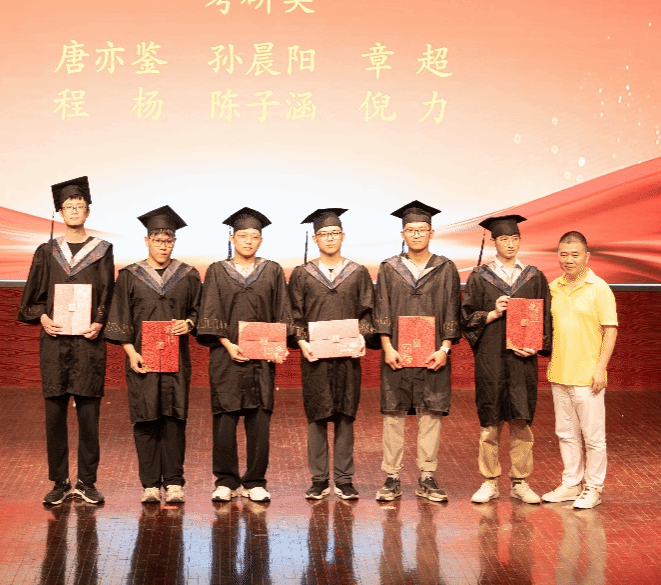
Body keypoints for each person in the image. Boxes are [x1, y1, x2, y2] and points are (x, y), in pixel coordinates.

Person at [17, 175, 112, 506]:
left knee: (89, 418)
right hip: (55, 345)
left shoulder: (102, 251)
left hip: (88, 344)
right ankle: (59, 481)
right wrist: (43, 317)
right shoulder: (47, 252)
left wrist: (99, 322)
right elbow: (31, 300)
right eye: (68, 206)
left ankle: (87, 481)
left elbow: (107, 294)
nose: (74, 210)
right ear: (60, 211)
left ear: (88, 211)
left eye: (79, 205)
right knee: (55, 418)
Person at [105, 205, 200, 505]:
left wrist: (189, 324)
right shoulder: (130, 276)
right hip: (142, 359)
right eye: (157, 240)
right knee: (145, 419)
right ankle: (149, 485)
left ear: (175, 242)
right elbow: (120, 316)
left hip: (176, 361)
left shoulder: (188, 275)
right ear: (147, 241)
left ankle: (174, 482)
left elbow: (199, 311)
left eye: (168, 240)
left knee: (173, 418)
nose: (163, 246)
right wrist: (130, 352)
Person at [196, 207, 292, 503]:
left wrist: (277, 346)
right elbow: (210, 312)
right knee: (225, 420)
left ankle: (255, 481)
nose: (248, 241)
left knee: (259, 420)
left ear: (261, 240)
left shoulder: (272, 270)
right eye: (243, 236)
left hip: (261, 360)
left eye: (254, 236)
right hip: (226, 358)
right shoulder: (217, 271)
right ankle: (225, 480)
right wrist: (227, 344)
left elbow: (282, 313)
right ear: (232, 238)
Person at [371, 200, 462, 503]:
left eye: (422, 230)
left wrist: (445, 349)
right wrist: (387, 347)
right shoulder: (389, 268)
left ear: (431, 233)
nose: (417, 234)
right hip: (396, 351)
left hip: (433, 352)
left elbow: (452, 309)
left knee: (430, 412)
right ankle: (392, 477)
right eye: (411, 230)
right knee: (393, 413)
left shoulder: (445, 268)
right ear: (403, 234)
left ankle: (427, 476)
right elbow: (382, 308)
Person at [462, 214, 552, 505]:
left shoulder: (534, 277)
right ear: (494, 242)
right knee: (490, 421)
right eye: (504, 239)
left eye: (514, 238)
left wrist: (536, 346)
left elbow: (545, 318)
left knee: (521, 420)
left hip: (522, 360)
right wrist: (492, 312)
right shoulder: (480, 277)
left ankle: (520, 482)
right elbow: (466, 318)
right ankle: (489, 481)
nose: (510, 244)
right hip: (491, 358)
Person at [288, 208, 375, 501]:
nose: (329, 238)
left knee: (345, 415)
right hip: (315, 357)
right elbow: (294, 315)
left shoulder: (358, 272)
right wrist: (302, 342)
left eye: (334, 233)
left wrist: (362, 336)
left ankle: (344, 479)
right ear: (315, 239)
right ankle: (319, 479)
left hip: (347, 357)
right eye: (324, 234)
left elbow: (368, 312)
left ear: (343, 236)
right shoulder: (302, 274)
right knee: (317, 416)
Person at [541, 231, 619, 510]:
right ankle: (571, 483)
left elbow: (610, 330)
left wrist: (601, 369)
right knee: (566, 434)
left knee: (593, 438)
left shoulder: (599, 288)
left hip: (588, 376)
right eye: (564, 254)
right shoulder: (553, 288)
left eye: (575, 254)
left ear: (587, 256)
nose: (569, 260)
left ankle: (593, 487)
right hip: (559, 373)